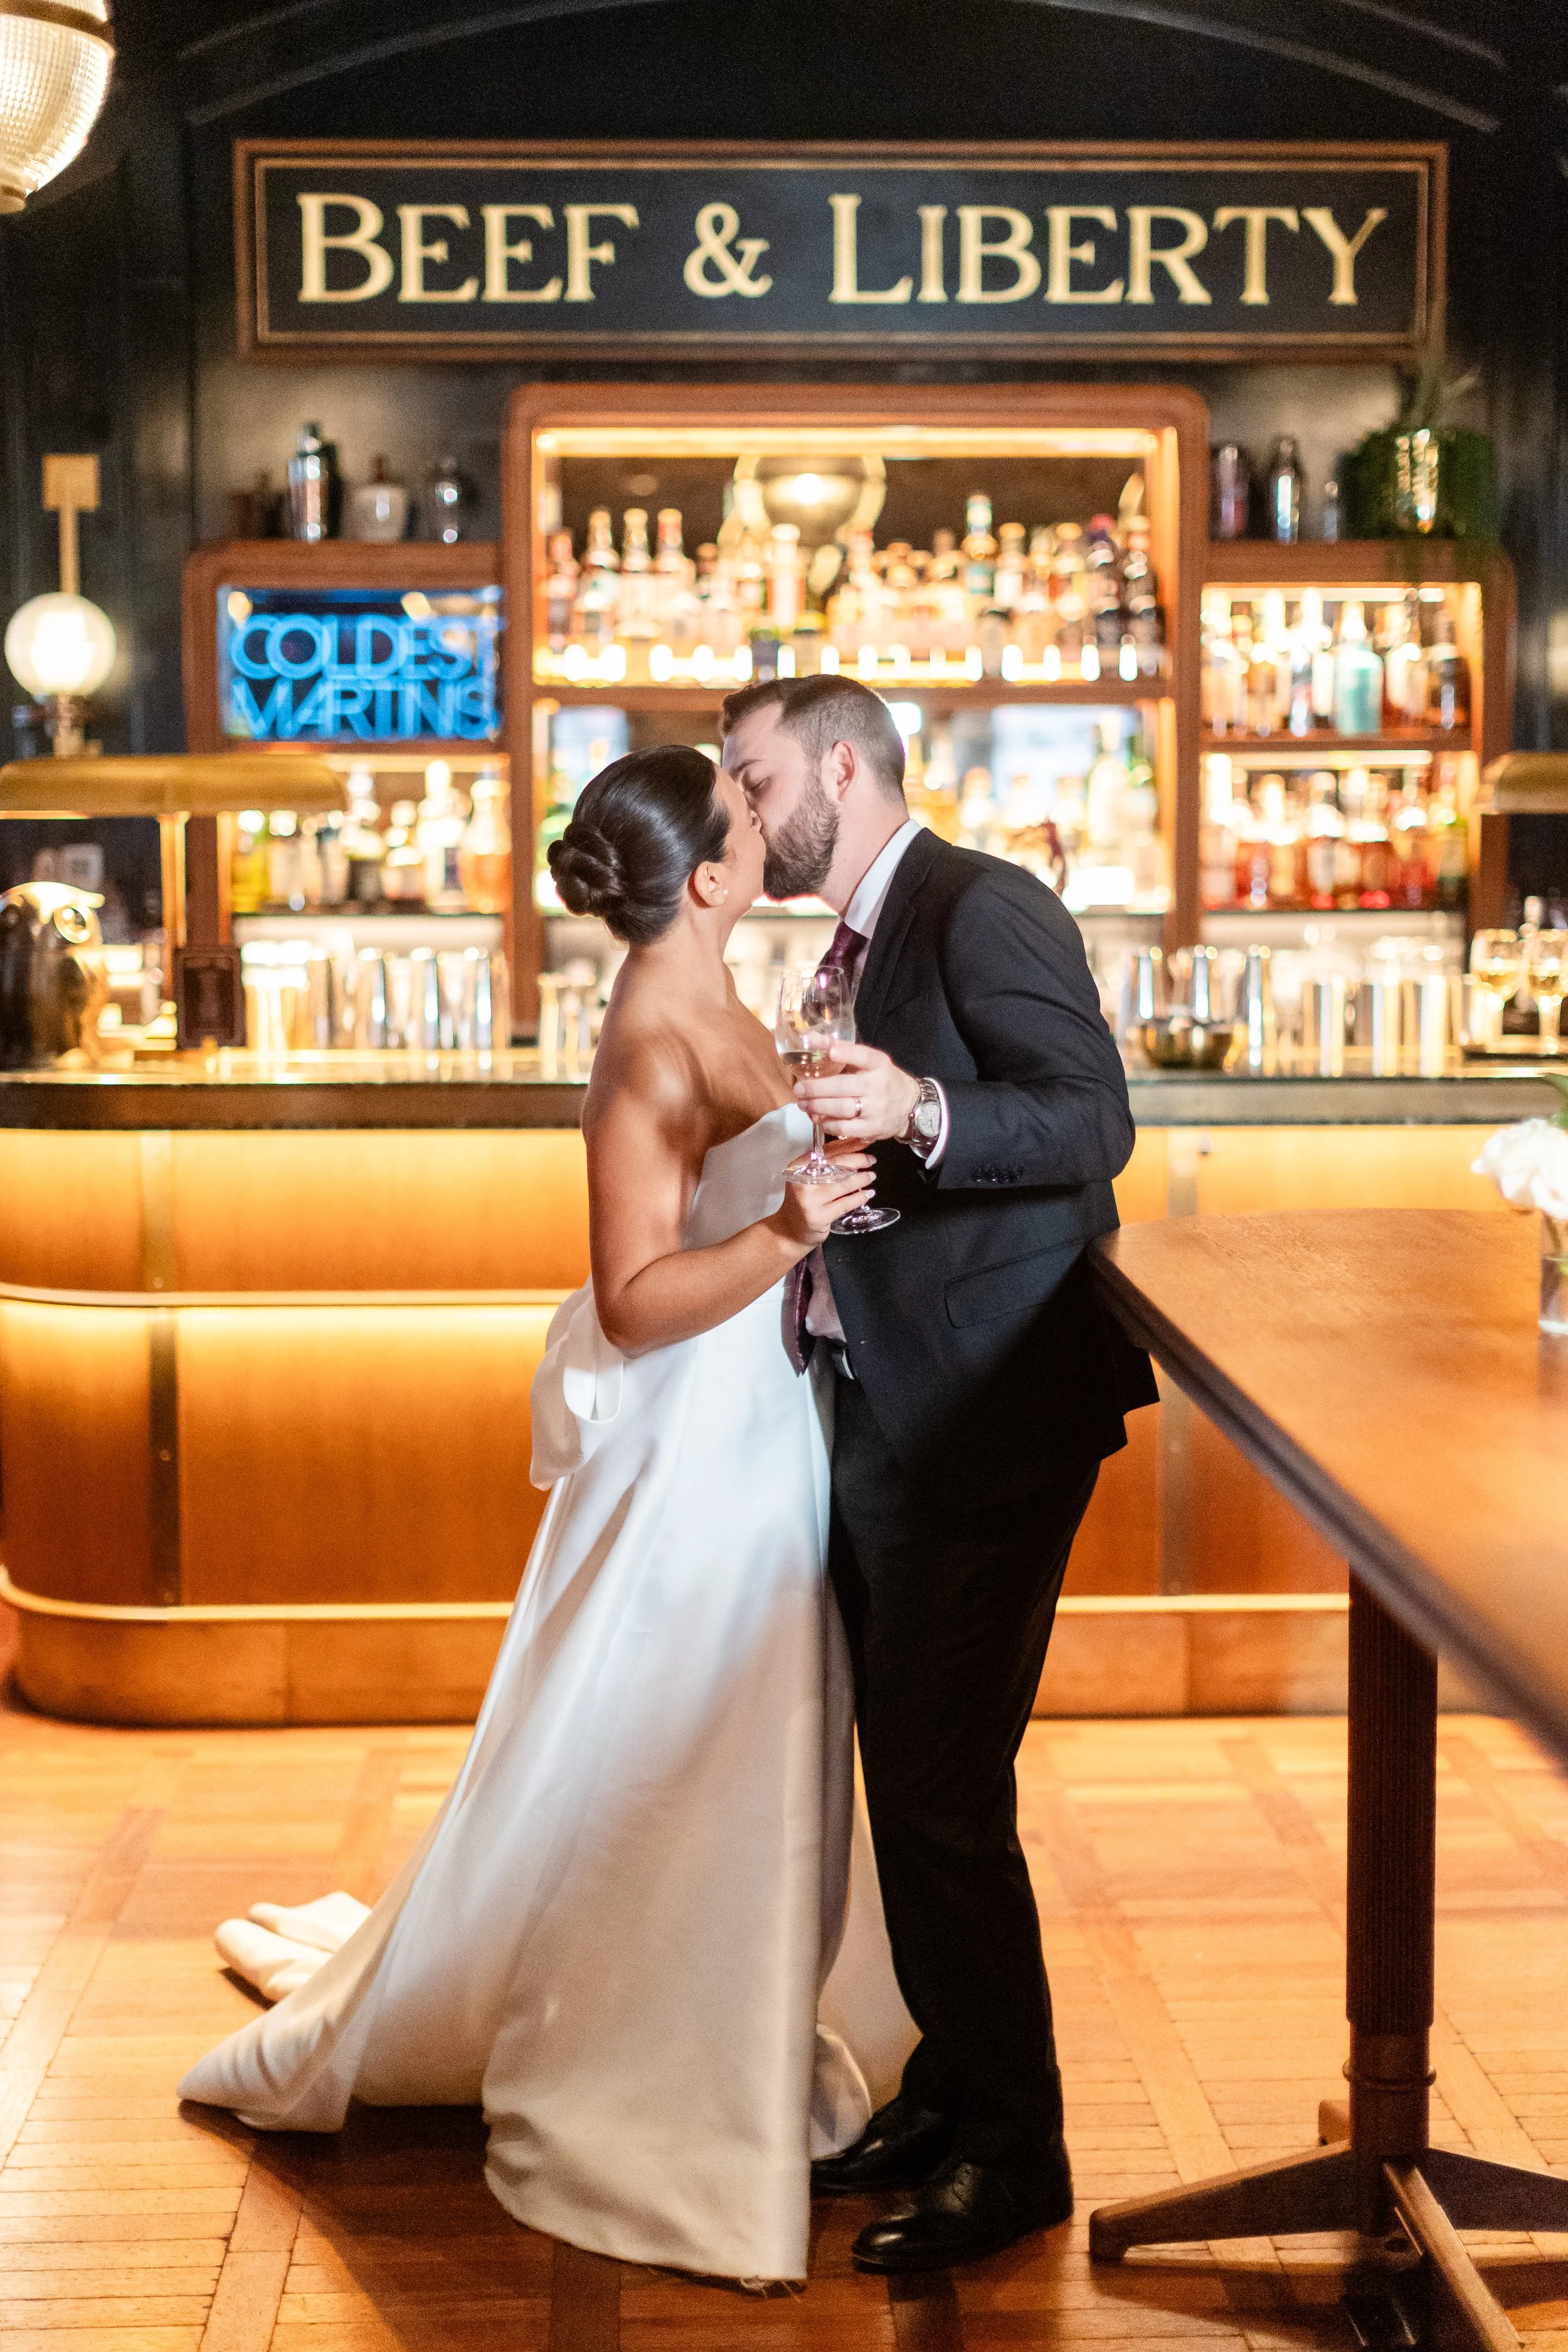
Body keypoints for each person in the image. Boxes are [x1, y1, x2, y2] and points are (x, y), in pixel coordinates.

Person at [177, 745, 916, 2287]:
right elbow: (635, 1305)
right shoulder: (648, 1037)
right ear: (708, 877)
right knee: (677, 1736)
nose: (766, 819)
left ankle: (732, 2012)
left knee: (733, 1735)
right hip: (694, 1443)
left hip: (759, 1425)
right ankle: (658, 2067)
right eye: (741, 810)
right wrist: (790, 1226)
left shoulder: (713, 982)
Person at [719, 674, 1156, 2274]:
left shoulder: (985, 902)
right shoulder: (846, 942)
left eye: (754, 778)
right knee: (905, 1768)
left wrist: (916, 1108)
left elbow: (1089, 1121)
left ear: (843, 764)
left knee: (938, 1788)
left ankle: (1019, 2154)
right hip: (889, 1400)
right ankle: (949, 2083)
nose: (738, 810)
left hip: (988, 1410)